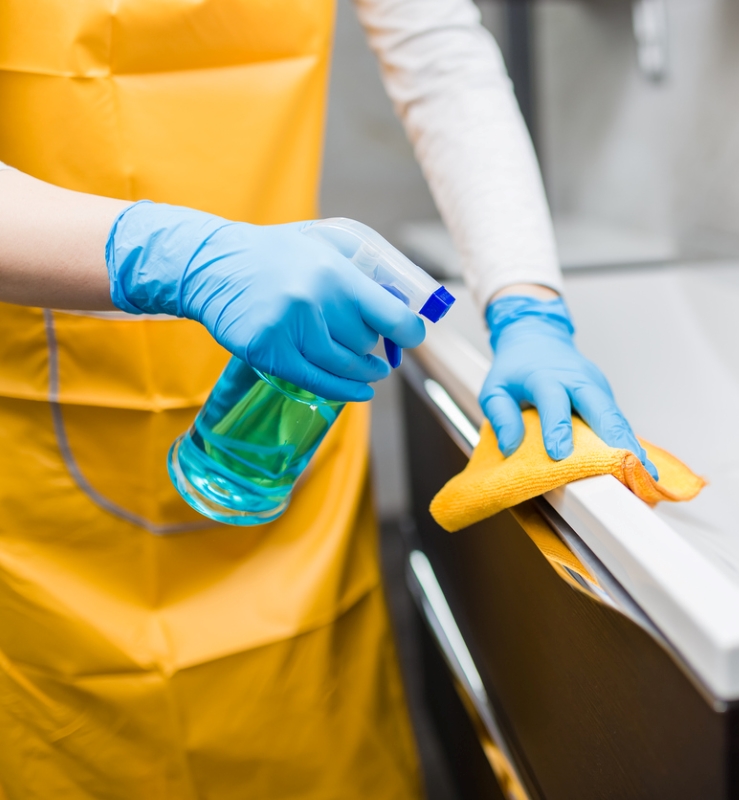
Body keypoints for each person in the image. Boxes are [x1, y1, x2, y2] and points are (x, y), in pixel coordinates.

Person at [0, 0, 652, 796]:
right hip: (38, 459)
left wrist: (526, 303)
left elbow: (439, 52)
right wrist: (165, 255)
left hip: (288, 399)